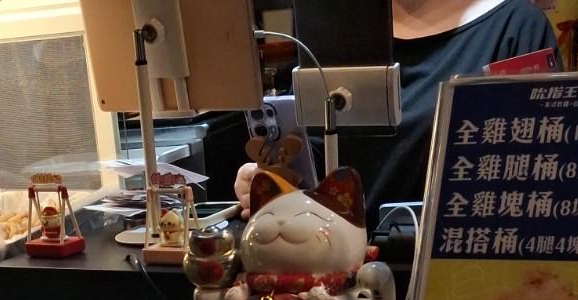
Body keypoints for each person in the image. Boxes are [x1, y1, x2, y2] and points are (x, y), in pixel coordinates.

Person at [237, 0, 560, 224]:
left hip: (457, 274)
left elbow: (536, 175)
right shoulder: (331, 24)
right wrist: (270, 179)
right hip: (335, 274)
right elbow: (312, 155)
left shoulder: (515, 27)